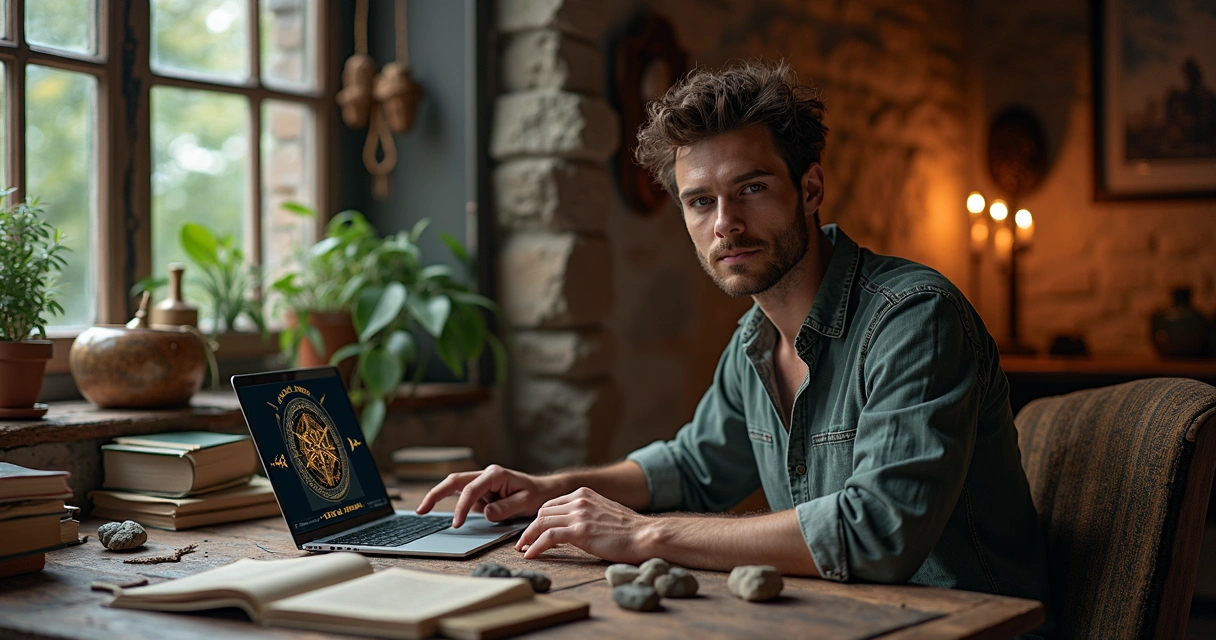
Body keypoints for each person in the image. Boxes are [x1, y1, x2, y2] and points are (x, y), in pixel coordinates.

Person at [418, 60, 1053, 630]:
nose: (725, 224)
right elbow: (692, 467)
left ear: (808, 189)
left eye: (750, 189)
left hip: (963, 626)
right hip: (840, 623)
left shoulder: (914, 319)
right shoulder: (754, 338)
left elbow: (876, 532)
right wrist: (548, 487)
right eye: (701, 201)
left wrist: (643, 535)